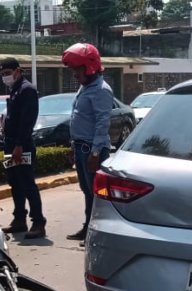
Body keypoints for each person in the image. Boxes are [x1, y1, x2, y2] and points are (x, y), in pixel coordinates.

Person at [62, 43, 112, 243]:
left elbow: (102, 122)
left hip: (93, 150)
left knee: (96, 194)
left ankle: (97, 232)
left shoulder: (101, 90)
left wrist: (95, 153)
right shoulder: (85, 88)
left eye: (77, 69)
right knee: (87, 191)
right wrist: (73, 146)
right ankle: (88, 227)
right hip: (82, 147)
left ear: (89, 67)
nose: (74, 74)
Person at [0, 58, 46, 239]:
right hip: (11, 143)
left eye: (7, 73)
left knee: (27, 184)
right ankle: (19, 220)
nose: (5, 77)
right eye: (2, 75)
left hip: (22, 144)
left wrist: (19, 145)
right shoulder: (15, 89)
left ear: (18, 71)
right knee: (14, 183)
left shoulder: (27, 90)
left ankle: (38, 222)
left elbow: (27, 121)